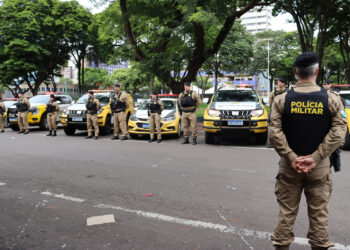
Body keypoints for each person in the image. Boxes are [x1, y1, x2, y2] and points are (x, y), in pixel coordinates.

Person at [269, 52, 347, 250]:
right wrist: (315, 158)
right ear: (317, 71)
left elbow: (274, 132)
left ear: (295, 72)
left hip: (289, 168)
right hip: (319, 169)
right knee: (319, 216)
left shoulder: (281, 99)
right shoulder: (331, 99)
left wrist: (292, 157)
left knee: (286, 214)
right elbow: (339, 131)